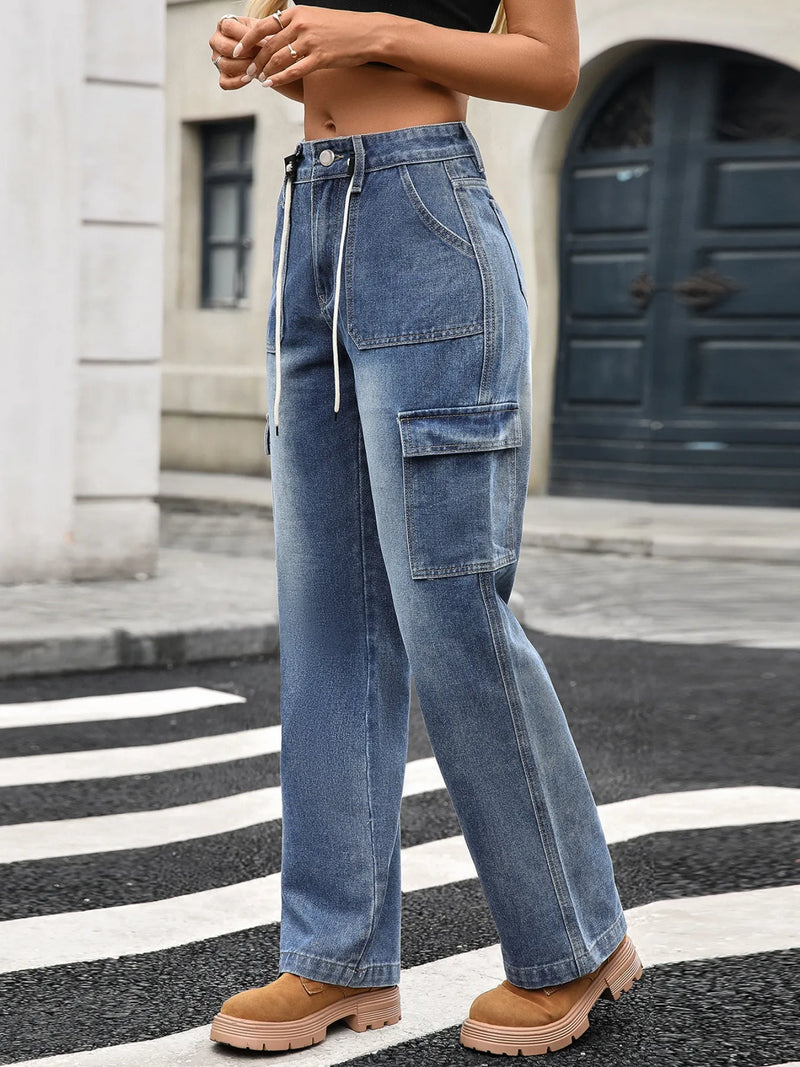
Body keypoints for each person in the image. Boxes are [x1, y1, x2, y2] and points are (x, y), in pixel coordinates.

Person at [206, 0, 642, 1056]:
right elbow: (314, 70)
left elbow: (545, 66)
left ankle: (574, 942)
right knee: (324, 614)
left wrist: (367, 34)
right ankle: (335, 956)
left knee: (451, 608)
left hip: (424, 218)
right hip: (310, 215)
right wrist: (263, 51)